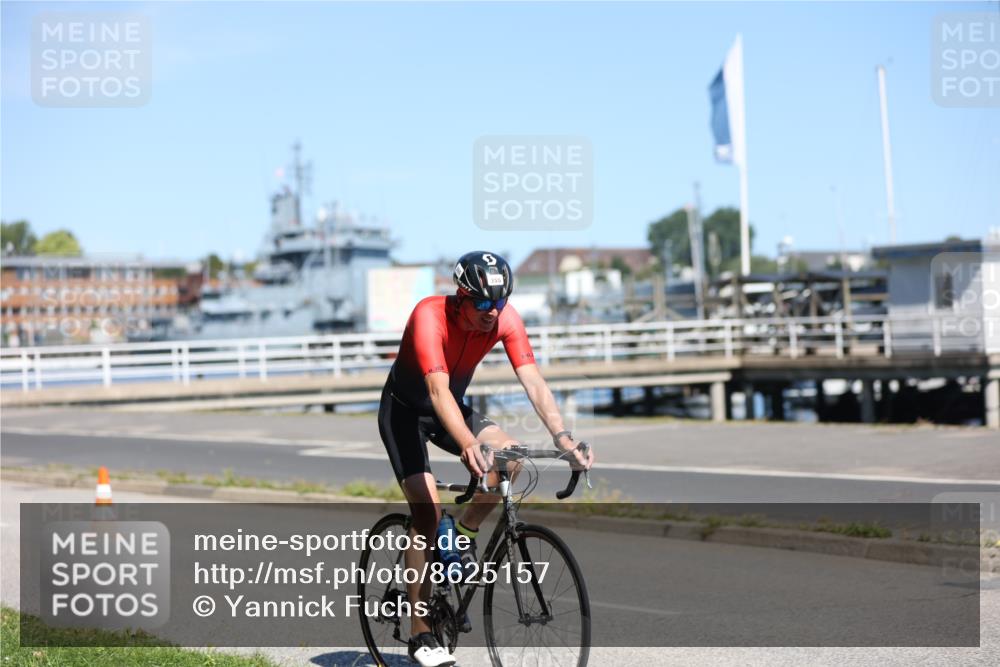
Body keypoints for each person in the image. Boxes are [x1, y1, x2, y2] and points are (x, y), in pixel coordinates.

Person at [377, 250, 595, 667]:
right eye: (481, 302)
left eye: (499, 301)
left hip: (451, 409)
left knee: (510, 459)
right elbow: (437, 391)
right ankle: (421, 633)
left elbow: (533, 382)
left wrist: (564, 438)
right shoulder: (429, 315)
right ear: (461, 298)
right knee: (425, 515)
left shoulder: (505, 319)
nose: (492, 311)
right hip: (405, 413)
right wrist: (467, 443)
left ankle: (463, 534)